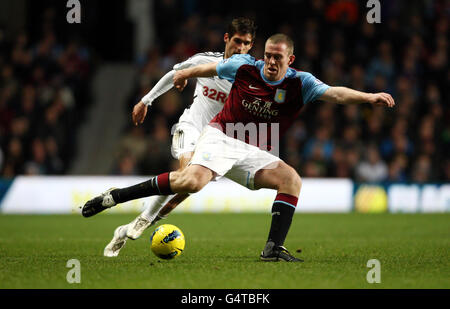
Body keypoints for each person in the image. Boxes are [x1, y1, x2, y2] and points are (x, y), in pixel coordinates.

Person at [82, 33, 395, 262]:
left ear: (290, 60)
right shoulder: (245, 67)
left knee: (291, 180)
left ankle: (272, 249)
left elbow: (336, 94)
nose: (271, 61)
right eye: (269, 55)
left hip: (253, 148)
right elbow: (209, 69)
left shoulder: (302, 83)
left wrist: (369, 97)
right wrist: (184, 74)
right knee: (190, 183)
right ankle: (114, 197)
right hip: (221, 137)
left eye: (278, 57)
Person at [96, 17, 257, 257]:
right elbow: (174, 74)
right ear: (226, 38)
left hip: (218, 144)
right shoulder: (206, 60)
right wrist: (145, 100)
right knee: (185, 174)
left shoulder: (252, 75)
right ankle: (144, 218)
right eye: (237, 41)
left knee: (186, 189)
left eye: (246, 44)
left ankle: (132, 225)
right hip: (190, 128)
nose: (241, 48)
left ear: (251, 45)